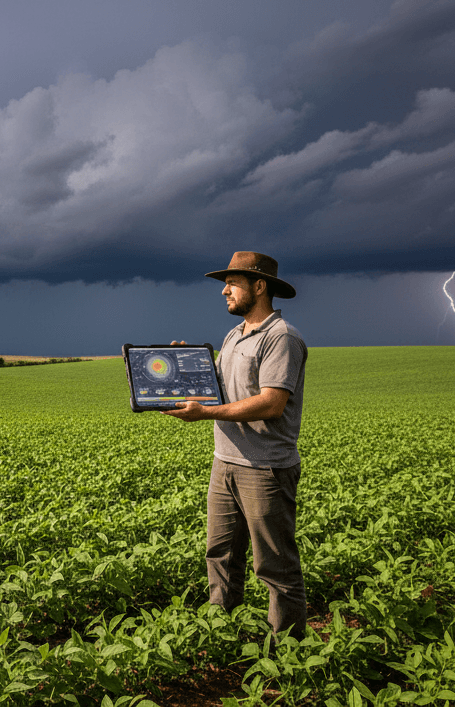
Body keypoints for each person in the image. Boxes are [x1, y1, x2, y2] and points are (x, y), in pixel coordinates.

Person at [164, 250, 307, 638]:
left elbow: (271, 403)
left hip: (265, 469)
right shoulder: (234, 335)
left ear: (259, 287)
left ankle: (288, 651)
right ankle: (220, 636)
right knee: (221, 556)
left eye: (233, 283)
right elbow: (219, 389)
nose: (224, 291)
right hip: (224, 462)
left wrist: (206, 414)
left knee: (274, 567)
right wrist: (183, 367)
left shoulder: (281, 338)